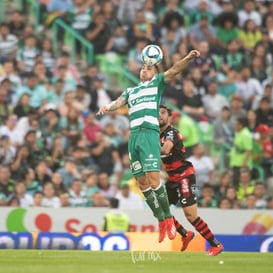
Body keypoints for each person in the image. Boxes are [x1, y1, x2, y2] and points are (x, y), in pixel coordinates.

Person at [97, 47, 200, 243]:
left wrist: (187, 57)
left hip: (149, 134)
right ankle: (161, 220)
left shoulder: (156, 83)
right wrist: (107, 107)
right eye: (142, 67)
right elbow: (118, 102)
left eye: (148, 67)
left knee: (154, 181)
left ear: (154, 71)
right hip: (134, 136)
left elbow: (174, 70)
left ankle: (169, 219)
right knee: (141, 183)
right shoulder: (131, 91)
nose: (144, 69)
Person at [158, 105, 224, 256]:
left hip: (184, 177)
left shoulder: (172, 133)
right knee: (160, 209)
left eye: (163, 113)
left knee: (191, 215)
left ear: (170, 118)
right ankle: (185, 234)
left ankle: (216, 244)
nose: (159, 115)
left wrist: (147, 146)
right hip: (173, 178)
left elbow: (165, 150)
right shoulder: (157, 134)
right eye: (157, 113)